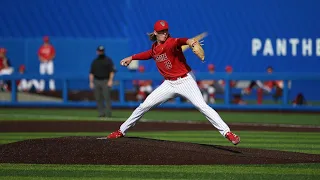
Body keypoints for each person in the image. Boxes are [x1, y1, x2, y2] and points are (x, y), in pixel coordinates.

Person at [107, 20, 240, 145]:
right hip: (169, 84)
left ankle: (228, 133)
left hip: (185, 81)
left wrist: (190, 42)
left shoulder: (171, 42)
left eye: (166, 30)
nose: (164, 33)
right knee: (144, 106)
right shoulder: (154, 48)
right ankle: (121, 131)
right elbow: (148, 54)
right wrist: (132, 57)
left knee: (202, 106)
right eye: (161, 31)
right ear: (155, 33)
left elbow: (180, 41)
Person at [89, 45, 116, 117]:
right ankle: (101, 113)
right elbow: (91, 73)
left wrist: (110, 80)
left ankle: (108, 113)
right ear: (97, 51)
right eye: (99, 51)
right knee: (98, 98)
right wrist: (91, 82)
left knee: (107, 97)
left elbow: (112, 71)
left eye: (102, 51)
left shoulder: (108, 60)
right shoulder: (95, 61)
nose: (100, 52)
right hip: (96, 80)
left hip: (105, 80)